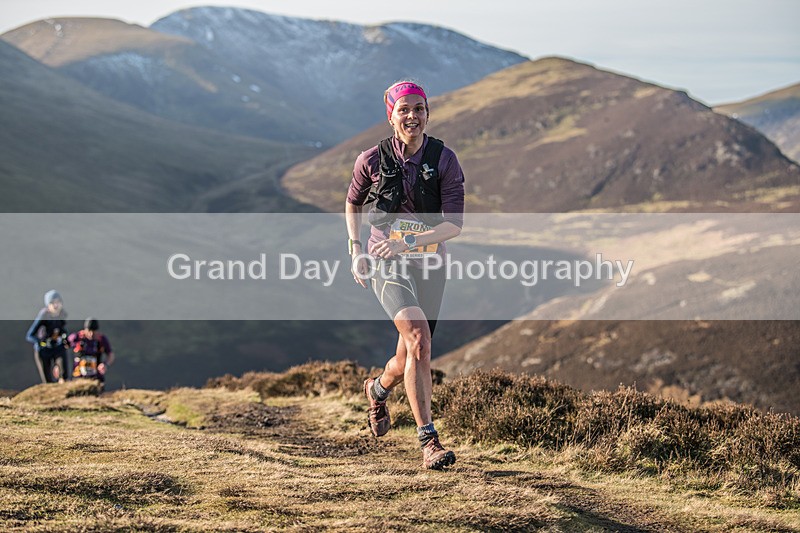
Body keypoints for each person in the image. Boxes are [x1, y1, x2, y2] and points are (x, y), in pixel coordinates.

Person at [345, 80, 465, 469]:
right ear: (391, 115)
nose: (411, 116)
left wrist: (410, 243)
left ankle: (378, 390)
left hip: (430, 263)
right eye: (404, 109)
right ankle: (429, 441)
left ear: (427, 114)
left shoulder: (444, 160)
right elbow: (353, 202)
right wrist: (356, 249)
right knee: (418, 339)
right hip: (386, 260)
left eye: (419, 109)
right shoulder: (371, 159)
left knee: (412, 354)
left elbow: (454, 225)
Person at [26, 289, 70, 383]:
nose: (56, 305)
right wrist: (42, 342)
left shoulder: (62, 315)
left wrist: (65, 339)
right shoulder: (43, 316)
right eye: (53, 303)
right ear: (48, 305)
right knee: (48, 381)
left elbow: (62, 330)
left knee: (64, 375)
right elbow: (30, 335)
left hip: (57, 347)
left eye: (58, 302)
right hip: (43, 351)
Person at [68, 317, 114, 385]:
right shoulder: (76, 337)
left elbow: (110, 354)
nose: (91, 334)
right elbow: (63, 347)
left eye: (94, 331)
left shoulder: (101, 339)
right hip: (78, 377)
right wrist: (59, 367)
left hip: (96, 378)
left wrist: (105, 364)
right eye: (89, 331)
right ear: (85, 330)